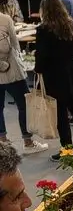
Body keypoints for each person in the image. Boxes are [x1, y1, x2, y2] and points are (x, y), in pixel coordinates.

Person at [33, 0, 73, 154]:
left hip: (54, 80)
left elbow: (41, 58)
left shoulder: (43, 30)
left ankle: (67, 150)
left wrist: (37, 67)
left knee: (61, 116)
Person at [0, 10, 47, 154]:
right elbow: (15, 45)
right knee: (24, 105)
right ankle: (28, 142)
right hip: (11, 71)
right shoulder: (5, 19)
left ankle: (2, 143)